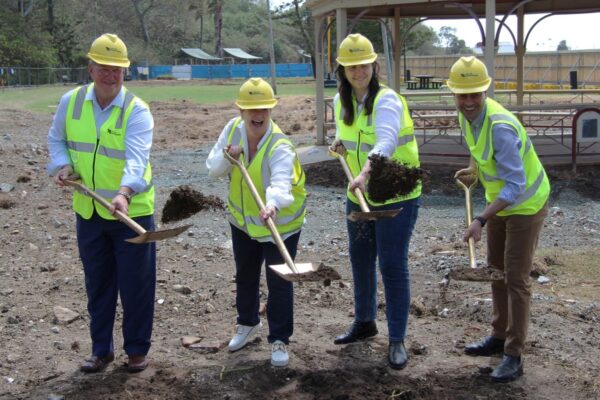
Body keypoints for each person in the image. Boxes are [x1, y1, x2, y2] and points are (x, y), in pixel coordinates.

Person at [47, 33, 156, 373]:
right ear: (91, 68)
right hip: (89, 211)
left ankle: (137, 350)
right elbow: (56, 139)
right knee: (98, 284)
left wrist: (124, 192)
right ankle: (101, 350)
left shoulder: (136, 110)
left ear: (126, 73)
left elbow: (137, 159)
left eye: (118, 70)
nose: (111, 76)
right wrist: (62, 165)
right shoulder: (71, 102)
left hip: (131, 212)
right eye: (105, 69)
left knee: (136, 287)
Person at [448, 56, 550, 383]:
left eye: (474, 94)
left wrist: (480, 219)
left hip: (525, 204)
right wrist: (474, 168)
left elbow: (517, 185)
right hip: (500, 202)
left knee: (516, 278)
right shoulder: (467, 116)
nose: (468, 101)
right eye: (462, 95)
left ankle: (514, 354)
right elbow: (481, 151)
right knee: (496, 271)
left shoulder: (501, 126)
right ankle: (497, 335)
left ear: (486, 90)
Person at [329, 33, 421, 370]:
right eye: (351, 65)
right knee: (361, 259)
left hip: (396, 196)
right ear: (342, 69)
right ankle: (364, 323)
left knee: (392, 265)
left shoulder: (387, 100)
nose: (358, 70)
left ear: (373, 64)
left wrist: (365, 172)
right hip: (359, 195)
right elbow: (351, 138)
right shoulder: (341, 102)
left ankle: (397, 339)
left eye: (363, 64)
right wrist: (338, 145)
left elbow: (385, 141)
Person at [205, 78, 306, 367]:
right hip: (244, 223)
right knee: (245, 275)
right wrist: (228, 157)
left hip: (281, 225)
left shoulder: (280, 144)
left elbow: (281, 181)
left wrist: (272, 204)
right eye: (251, 109)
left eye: (263, 108)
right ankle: (247, 324)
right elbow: (213, 169)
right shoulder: (232, 130)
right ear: (241, 110)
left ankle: (279, 340)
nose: (257, 114)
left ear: (271, 110)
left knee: (280, 281)